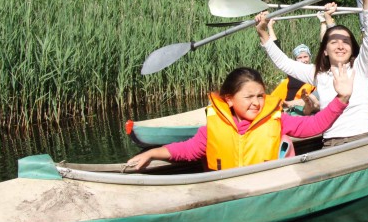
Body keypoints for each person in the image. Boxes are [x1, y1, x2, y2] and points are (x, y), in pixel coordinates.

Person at [126, 66, 353, 170]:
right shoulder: (214, 127)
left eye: (260, 96)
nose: (256, 102)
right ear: (230, 99)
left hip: (267, 188)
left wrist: (341, 99)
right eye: (249, 97)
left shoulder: (276, 119)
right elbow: (187, 150)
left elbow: (313, 125)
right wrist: (152, 152)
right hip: (228, 190)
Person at [256, 0, 368, 146]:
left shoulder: (361, 67)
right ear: (325, 50)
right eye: (334, 41)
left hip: (361, 139)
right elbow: (284, 63)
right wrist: (263, 33)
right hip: (331, 142)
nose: (340, 45)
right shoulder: (318, 74)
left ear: (352, 48)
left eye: (345, 41)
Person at [266, 18, 317, 111]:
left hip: (304, 107)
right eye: (300, 58)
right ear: (296, 60)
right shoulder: (294, 71)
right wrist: (270, 27)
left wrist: (323, 23)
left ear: (309, 57)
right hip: (286, 107)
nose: (303, 60)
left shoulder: (314, 70)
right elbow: (276, 49)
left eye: (305, 57)